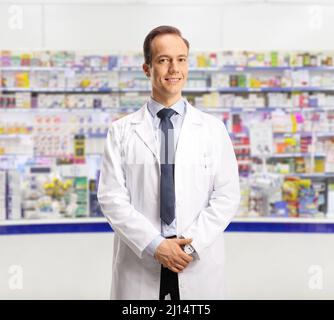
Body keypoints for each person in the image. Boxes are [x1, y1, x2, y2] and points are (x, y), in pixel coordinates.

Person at [97, 25, 240, 300]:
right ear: (147, 68)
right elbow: (111, 197)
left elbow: (226, 195)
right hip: (142, 261)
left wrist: (186, 247)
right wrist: (156, 245)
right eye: (164, 60)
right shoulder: (122, 131)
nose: (174, 68)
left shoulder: (212, 129)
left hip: (196, 261)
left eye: (181, 59)